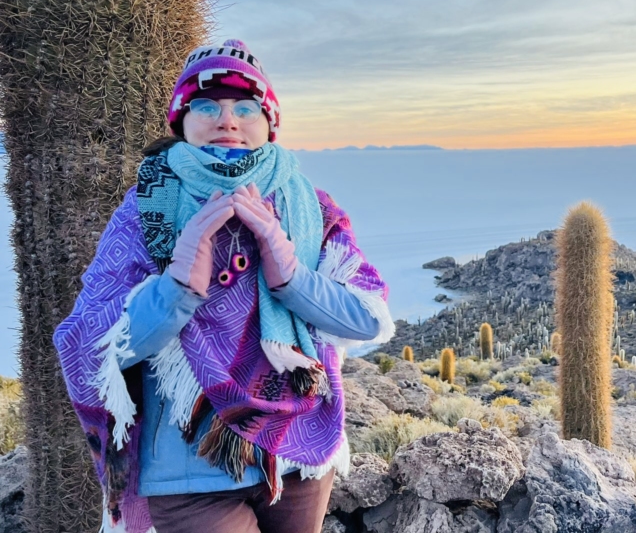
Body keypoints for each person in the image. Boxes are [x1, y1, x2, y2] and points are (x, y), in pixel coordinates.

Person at [53, 39, 394, 533]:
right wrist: (175, 289)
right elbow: (87, 340)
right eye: (207, 105)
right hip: (190, 469)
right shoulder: (145, 210)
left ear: (268, 121)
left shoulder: (311, 208)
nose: (227, 120)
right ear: (183, 121)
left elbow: (367, 318)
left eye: (246, 107)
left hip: (298, 452)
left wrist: (293, 278)